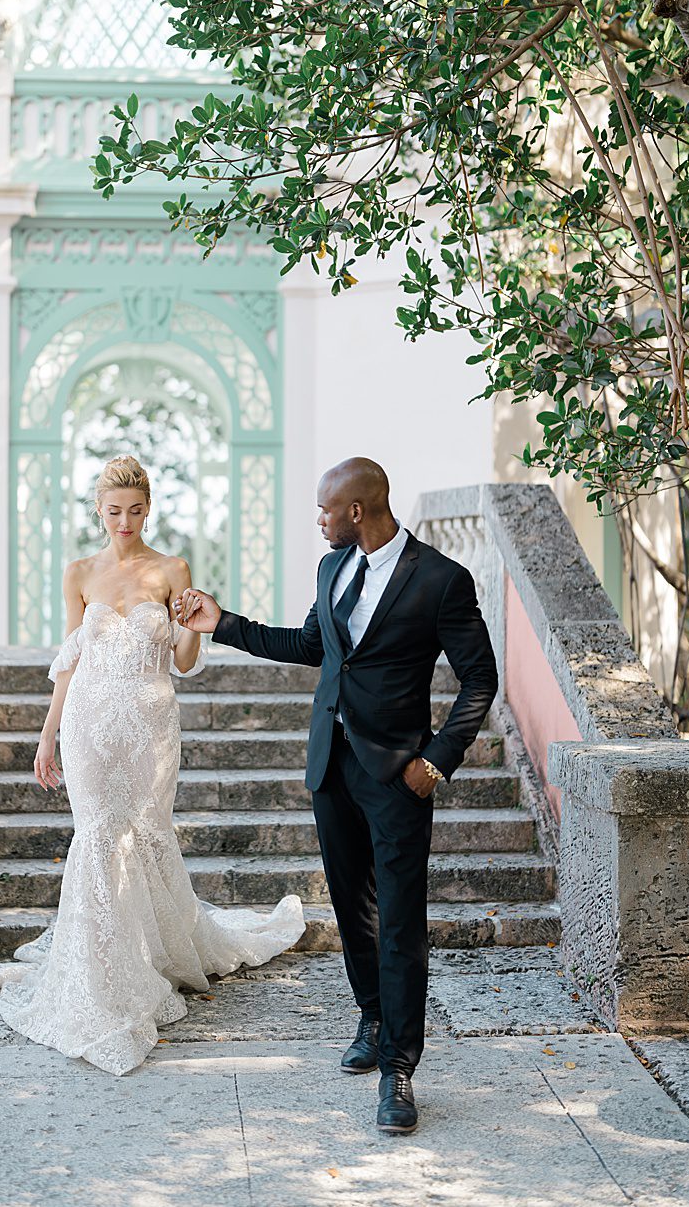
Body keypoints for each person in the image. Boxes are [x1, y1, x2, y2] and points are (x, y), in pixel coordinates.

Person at [177, 456, 497, 1135]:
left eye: (326, 509)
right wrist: (221, 620)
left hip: (398, 774)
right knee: (355, 907)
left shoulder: (441, 579)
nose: (318, 519)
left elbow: (479, 680)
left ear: (358, 509)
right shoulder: (333, 569)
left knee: (402, 919)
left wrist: (437, 760)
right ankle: (372, 1014)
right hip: (332, 765)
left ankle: (399, 1069)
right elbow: (309, 645)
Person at [0, 455, 306, 1075]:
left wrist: (192, 625)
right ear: (98, 511)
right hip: (90, 724)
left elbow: (183, 660)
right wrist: (46, 737)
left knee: (145, 834)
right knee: (98, 835)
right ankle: (103, 972)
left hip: (151, 725)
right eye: (113, 510)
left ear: (147, 509)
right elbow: (70, 660)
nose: (124, 520)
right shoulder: (78, 572)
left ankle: (152, 953)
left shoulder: (171, 568)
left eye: (134, 510)